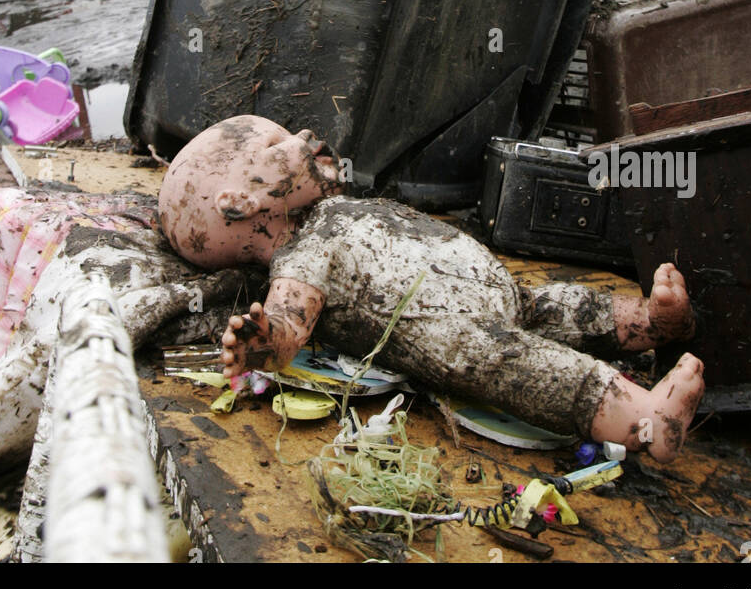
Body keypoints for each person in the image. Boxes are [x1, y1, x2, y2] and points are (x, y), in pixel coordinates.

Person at [159, 115, 706, 463]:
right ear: (242, 203)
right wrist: (266, 343)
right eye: (280, 146)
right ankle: (645, 421)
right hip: (446, 330)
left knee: (555, 305)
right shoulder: (303, 253)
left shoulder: (334, 207)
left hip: (489, 287)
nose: (304, 137)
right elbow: (290, 321)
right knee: (513, 361)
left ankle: (652, 324)